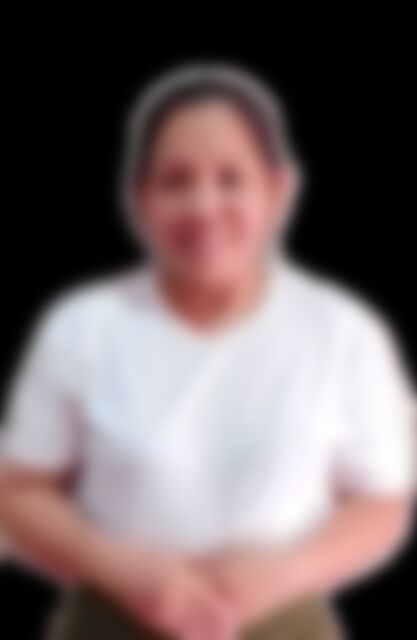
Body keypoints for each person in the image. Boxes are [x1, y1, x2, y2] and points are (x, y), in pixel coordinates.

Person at [0, 64, 415, 640]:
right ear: (139, 199)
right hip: (109, 622)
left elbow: (382, 504)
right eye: (176, 181)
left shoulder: (342, 334)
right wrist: (117, 566)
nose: (203, 205)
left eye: (231, 178)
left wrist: (285, 572)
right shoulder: (81, 328)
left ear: (276, 190)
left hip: (282, 623)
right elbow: (18, 492)